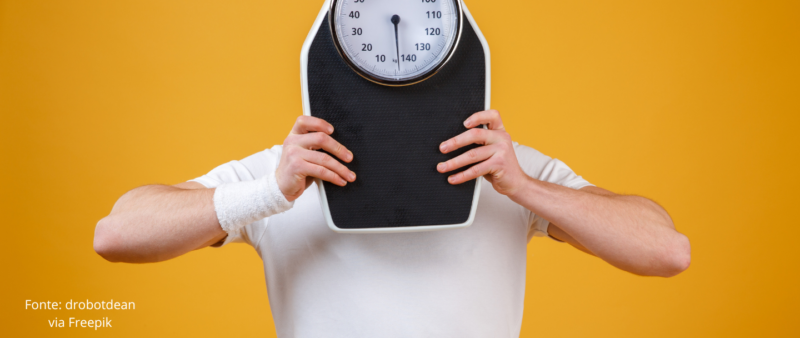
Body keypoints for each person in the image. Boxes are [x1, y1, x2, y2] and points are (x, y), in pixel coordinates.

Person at [94, 109, 690, 337]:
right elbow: (117, 235)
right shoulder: (282, 173)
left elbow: (665, 250)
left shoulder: (503, 168)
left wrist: (526, 188)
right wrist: (269, 193)